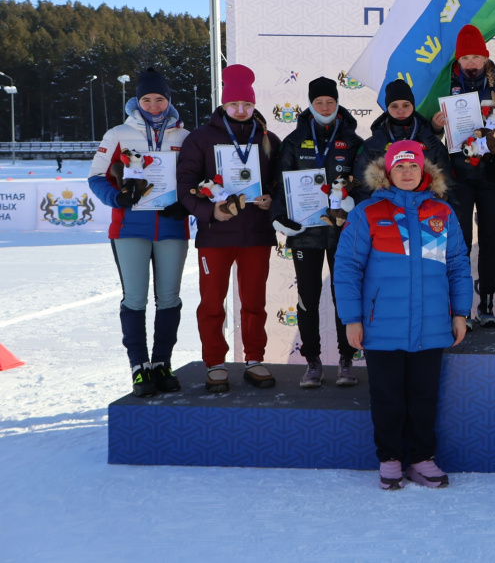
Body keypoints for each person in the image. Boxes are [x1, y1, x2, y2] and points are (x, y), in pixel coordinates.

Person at [334, 140, 472, 490]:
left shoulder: (442, 212)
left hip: (431, 325)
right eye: (400, 166)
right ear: (387, 171)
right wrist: (352, 318)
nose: (407, 172)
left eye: (413, 166)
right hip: (381, 327)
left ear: (424, 170)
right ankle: (391, 459)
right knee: (388, 397)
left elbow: (457, 265)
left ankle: (423, 459)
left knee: (424, 397)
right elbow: (347, 268)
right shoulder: (367, 212)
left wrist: (460, 312)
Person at [177, 64, 282, 393]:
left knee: (254, 302)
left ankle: (254, 358)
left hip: (257, 234)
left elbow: (281, 184)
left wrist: (272, 200)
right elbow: (184, 186)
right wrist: (209, 212)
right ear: (223, 104)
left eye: (247, 104)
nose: (241, 110)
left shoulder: (268, 139)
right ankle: (215, 362)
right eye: (234, 104)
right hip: (215, 236)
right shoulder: (200, 138)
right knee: (212, 303)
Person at [87, 67, 191, 397]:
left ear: (169, 100)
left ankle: (161, 363)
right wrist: (117, 198)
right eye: (147, 99)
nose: (154, 105)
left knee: (169, 298)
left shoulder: (184, 137)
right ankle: (138, 366)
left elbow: (196, 179)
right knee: (134, 298)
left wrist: (186, 204)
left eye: (160, 99)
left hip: (172, 227)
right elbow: (96, 177)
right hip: (130, 227)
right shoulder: (118, 133)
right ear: (137, 101)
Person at [270, 76, 363, 388]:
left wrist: (353, 203)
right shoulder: (294, 141)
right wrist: (278, 217)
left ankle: (346, 359)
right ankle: (312, 361)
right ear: (310, 105)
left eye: (330, 101)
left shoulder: (353, 141)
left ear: (337, 103)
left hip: (342, 231)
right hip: (305, 232)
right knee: (307, 298)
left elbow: (364, 183)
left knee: (344, 295)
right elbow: (280, 184)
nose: (325, 107)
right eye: (319, 102)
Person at [439, 25, 495, 329]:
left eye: (476, 57)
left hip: (491, 175)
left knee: (489, 240)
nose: (471, 63)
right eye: (465, 57)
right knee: (461, 243)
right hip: (459, 176)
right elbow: (431, 134)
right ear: (458, 61)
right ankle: (461, 307)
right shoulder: (445, 87)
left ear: (486, 58)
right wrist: (436, 124)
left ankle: (487, 303)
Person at [353, 78, 453, 203]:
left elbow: (449, 187)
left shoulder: (431, 141)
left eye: (406, 105)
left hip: (426, 211)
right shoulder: (373, 145)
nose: (400, 111)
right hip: (385, 210)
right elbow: (362, 190)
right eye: (394, 106)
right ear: (387, 108)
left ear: (413, 106)